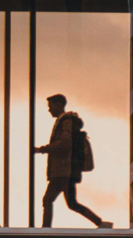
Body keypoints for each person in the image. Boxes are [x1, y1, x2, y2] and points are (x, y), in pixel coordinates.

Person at [34, 94, 113, 228]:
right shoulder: (65, 122)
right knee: (71, 203)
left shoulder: (66, 122)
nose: (49, 110)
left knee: (48, 200)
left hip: (63, 171)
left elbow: (65, 143)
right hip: (66, 171)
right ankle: (100, 223)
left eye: (50, 106)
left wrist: (41, 149)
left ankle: (45, 230)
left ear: (58, 105)